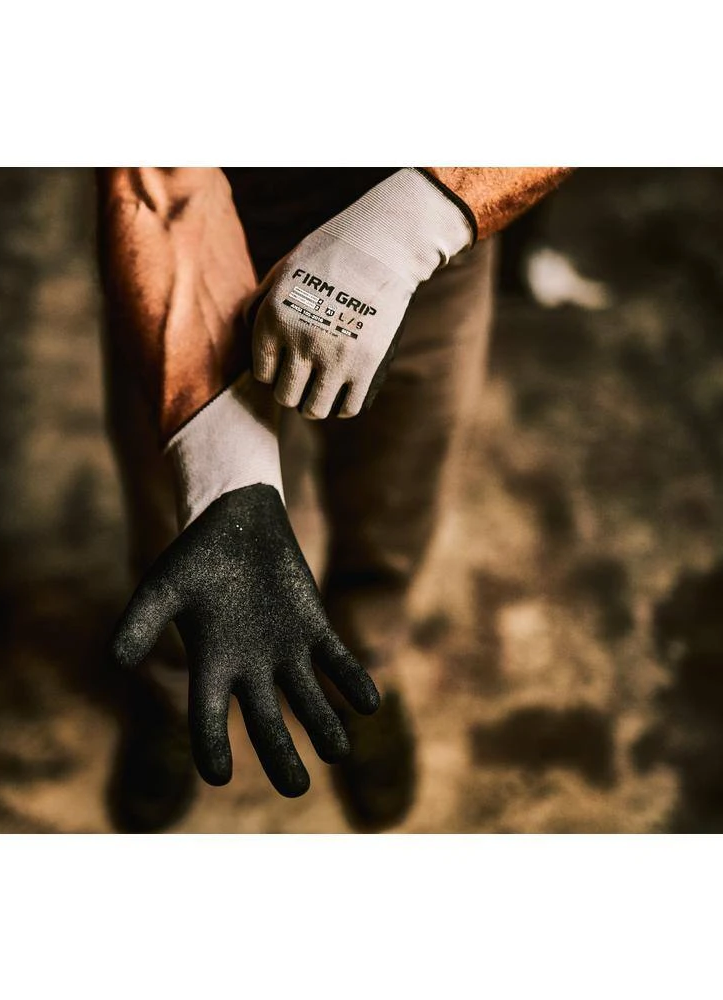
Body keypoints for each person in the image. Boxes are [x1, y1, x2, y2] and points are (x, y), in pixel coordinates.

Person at [96, 167, 570, 831]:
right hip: (198, 222)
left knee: (397, 501)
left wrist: (407, 226)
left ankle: (362, 669)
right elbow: (160, 180)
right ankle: (175, 688)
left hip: (437, 247)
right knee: (180, 525)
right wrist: (223, 472)